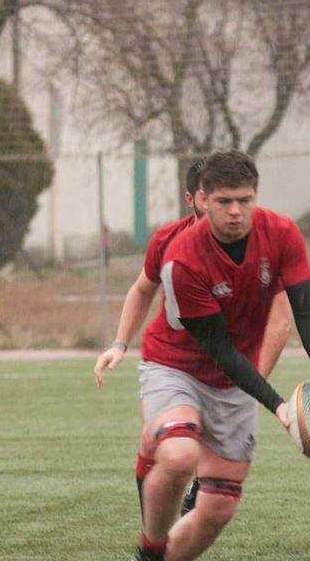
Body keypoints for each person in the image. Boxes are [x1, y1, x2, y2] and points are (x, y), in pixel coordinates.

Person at [95, 149, 310, 561]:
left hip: (229, 383)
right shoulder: (181, 257)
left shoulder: (282, 234)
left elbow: (306, 308)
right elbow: (221, 350)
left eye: (245, 200)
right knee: (179, 455)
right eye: (226, 201)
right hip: (175, 367)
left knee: (217, 509)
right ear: (202, 201)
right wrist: (278, 406)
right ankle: (151, 547)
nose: (236, 212)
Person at [95, 158, 292, 517]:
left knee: (219, 499)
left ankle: (175, 525)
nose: (228, 208)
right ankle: (154, 537)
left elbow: (280, 323)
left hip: (229, 367)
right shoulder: (169, 241)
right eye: (212, 198)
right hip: (174, 365)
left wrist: (249, 383)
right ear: (194, 199)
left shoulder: (259, 243)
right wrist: (119, 343)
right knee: (161, 444)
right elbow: (142, 290)